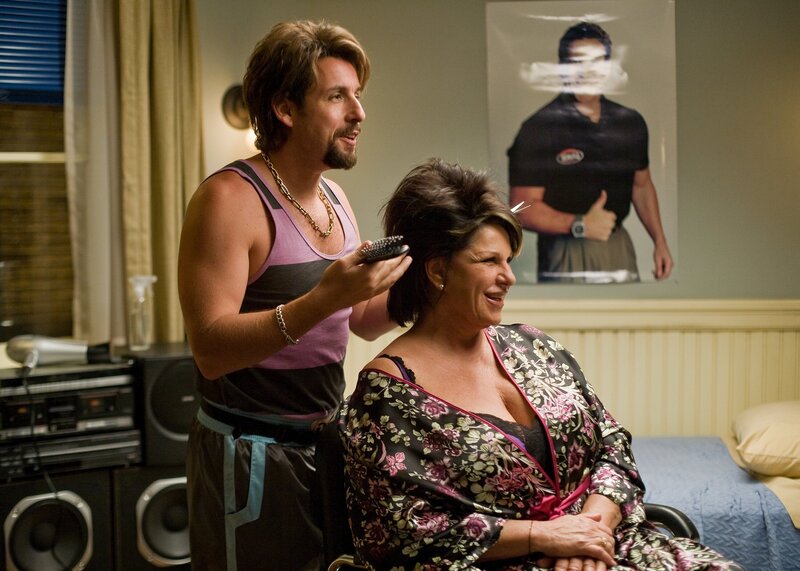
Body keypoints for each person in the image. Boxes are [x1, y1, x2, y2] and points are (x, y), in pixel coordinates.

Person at [339, 158, 740, 570]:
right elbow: (401, 532)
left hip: (607, 545)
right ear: (438, 270)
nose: (508, 277)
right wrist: (544, 536)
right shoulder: (388, 393)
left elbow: (611, 442)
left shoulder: (532, 345)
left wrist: (591, 527)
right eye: (489, 261)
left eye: (508, 260)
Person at [177, 20, 411, 571]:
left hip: (324, 448)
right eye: (337, 96)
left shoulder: (335, 198)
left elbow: (360, 318)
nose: (359, 112)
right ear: (285, 109)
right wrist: (323, 299)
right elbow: (210, 350)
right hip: (247, 457)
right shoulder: (229, 200)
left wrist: (426, 280)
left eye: (358, 95)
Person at [507, 22, 673, 284]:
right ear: (562, 67)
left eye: (596, 62)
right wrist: (579, 224)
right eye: (577, 62)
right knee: (569, 313)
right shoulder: (538, 128)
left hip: (617, 244)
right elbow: (521, 208)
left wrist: (660, 242)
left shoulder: (629, 122)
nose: (586, 73)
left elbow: (641, 186)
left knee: (627, 312)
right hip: (565, 251)